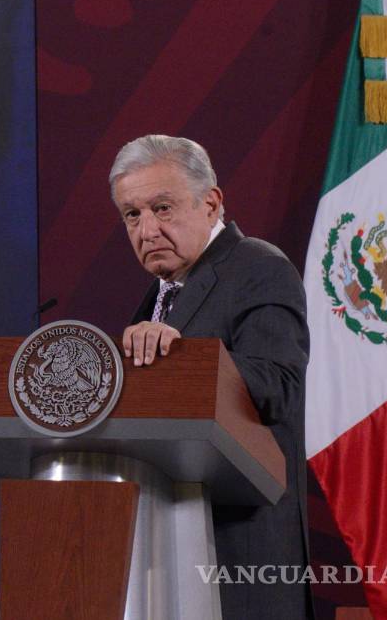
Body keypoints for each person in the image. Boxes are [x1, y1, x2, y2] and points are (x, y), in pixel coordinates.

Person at [110, 134, 312, 618]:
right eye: (132, 214)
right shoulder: (165, 290)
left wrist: (180, 357)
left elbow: (278, 385)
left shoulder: (259, 267)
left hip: (241, 556)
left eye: (162, 207)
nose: (147, 230)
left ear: (211, 202)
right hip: (170, 547)